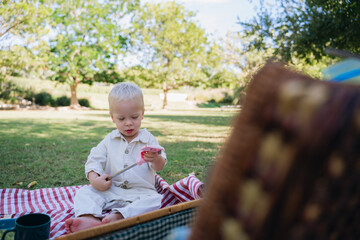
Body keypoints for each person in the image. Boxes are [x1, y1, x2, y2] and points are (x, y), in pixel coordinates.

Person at [65, 82, 167, 233]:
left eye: (134, 117)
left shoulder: (148, 139)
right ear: (112, 117)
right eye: (121, 118)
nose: (128, 123)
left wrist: (156, 159)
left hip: (140, 193)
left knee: (157, 200)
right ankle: (89, 218)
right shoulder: (110, 139)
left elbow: (160, 165)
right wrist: (94, 179)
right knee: (84, 192)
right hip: (112, 190)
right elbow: (95, 159)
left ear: (142, 113)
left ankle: (120, 216)